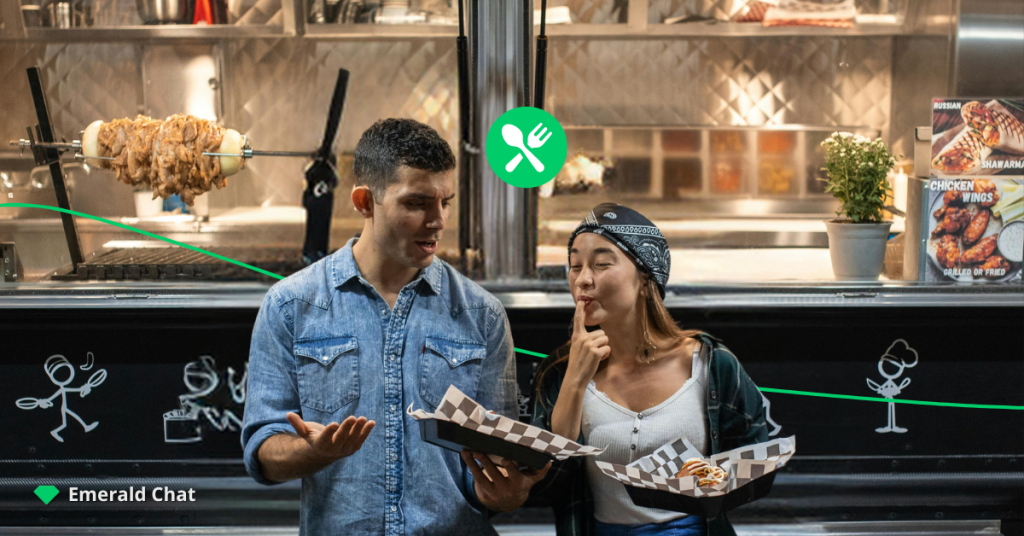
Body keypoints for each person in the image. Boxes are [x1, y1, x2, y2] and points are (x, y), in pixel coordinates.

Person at [241, 118, 549, 535]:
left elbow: (495, 465)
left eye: (446, 202)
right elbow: (262, 452)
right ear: (366, 201)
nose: (438, 220)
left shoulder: (482, 314)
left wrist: (506, 492)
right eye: (417, 203)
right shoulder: (291, 306)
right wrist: (312, 452)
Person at [529, 203, 768, 536]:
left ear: (645, 278)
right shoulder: (558, 372)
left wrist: (706, 483)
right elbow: (545, 477)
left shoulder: (709, 363)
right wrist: (574, 380)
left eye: (601, 264)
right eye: (574, 266)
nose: (583, 279)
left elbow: (755, 447)